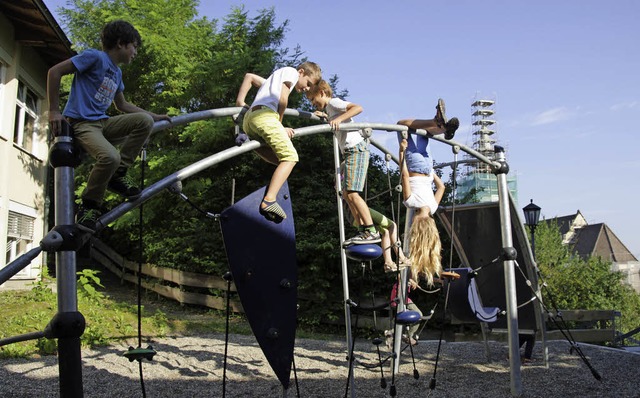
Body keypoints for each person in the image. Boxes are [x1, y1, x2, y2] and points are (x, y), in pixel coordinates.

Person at [47, 20, 171, 231]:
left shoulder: (117, 73)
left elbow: (121, 104)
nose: (136, 52)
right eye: (134, 46)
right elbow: (54, 72)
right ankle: (89, 204)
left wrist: (153, 115)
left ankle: (118, 174)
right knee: (110, 156)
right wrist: (53, 111)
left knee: (144, 121)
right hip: (82, 123)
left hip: (102, 122)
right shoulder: (94, 57)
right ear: (121, 43)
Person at [235, 62, 322, 223]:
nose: (307, 89)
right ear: (301, 72)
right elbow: (283, 100)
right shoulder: (291, 73)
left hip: (251, 121)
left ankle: (248, 141)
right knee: (291, 157)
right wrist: (280, 126)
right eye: (308, 83)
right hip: (265, 117)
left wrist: (240, 102)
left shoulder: (271, 82)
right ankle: (269, 200)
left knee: (280, 161)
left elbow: (250, 77)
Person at [307, 80, 380, 244]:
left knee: (353, 193)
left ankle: (371, 230)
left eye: (313, 99)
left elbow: (357, 108)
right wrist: (327, 117)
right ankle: (363, 230)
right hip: (349, 152)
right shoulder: (329, 109)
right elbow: (335, 119)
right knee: (346, 194)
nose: (313, 103)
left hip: (356, 149)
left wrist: (338, 119)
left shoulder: (334, 102)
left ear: (322, 92)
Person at [398, 132, 447, 287]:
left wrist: (432, 174)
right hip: (413, 164)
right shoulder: (410, 202)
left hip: (428, 167)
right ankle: (440, 124)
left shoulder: (433, 206)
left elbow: (442, 187)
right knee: (402, 125)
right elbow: (405, 176)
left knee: (424, 133)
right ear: (417, 223)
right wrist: (401, 153)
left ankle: (439, 123)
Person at [389, 276, 422, 346]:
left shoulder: (413, 272)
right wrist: (411, 281)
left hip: (403, 298)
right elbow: (400, 276)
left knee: (403, 318)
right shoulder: (406, 270)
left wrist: (441, 281)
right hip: (399, 297)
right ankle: (408, 336)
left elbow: (426, 276)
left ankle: (391, 333)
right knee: (419, 315)